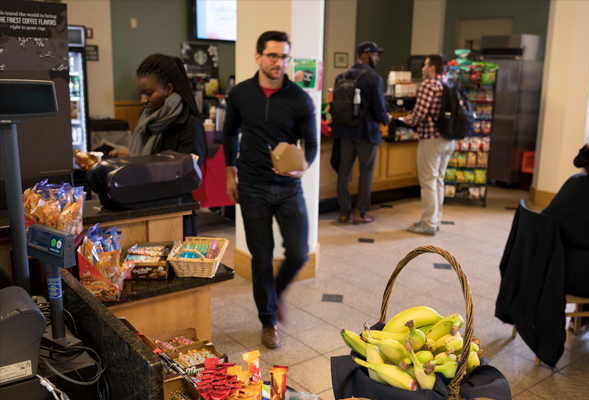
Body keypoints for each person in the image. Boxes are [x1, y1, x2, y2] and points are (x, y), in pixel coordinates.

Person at [222, 31, 318, 349]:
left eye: (284, 57)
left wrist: (301, 167)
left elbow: (312, 143)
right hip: (251, 185)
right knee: (260, 257)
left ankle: (273, 295)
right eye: (273, 56)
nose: (279, 63)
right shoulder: (240, 94)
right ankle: (269, 321)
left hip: (289, 188)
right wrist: (229, 174)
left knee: (299, 252)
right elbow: (229, 134)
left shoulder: (300, 99)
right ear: (259, 57)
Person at [108, 53, 207, 236]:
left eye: (148, 93)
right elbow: (148, 158)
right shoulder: (145, 119)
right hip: (140, 210)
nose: (143, 100)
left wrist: (137, 164)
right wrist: (130, 159)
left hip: (173, 216)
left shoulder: (189, 125)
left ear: (168, 89)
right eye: (141, 93)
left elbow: (189, 178)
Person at [542, 141, 589, 329]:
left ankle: (585, 317)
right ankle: (586, 315)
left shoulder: (574, 182)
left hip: (551, 268)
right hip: (575, 278)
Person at [331, 41, 390, 224]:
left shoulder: (341, 76)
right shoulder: (374, 79)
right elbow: (380, 109)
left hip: (344, 131)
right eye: (375, 54)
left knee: (343, 172)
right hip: (367, 132)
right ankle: (361, 213)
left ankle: (343, 212)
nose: (377, 58)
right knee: (365, 173)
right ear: (364, 55)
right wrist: (388, 119)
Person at [401, 54, 451, 236]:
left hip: (431, 139)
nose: (422, 69)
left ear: (432, 68)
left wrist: (404, 120)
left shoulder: (428, 85)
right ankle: (434, 220)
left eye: (425, 65)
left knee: (428, 182)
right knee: (438, 180)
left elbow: (418, 116)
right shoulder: (447, 83)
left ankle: (428, 224)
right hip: (448, 139)